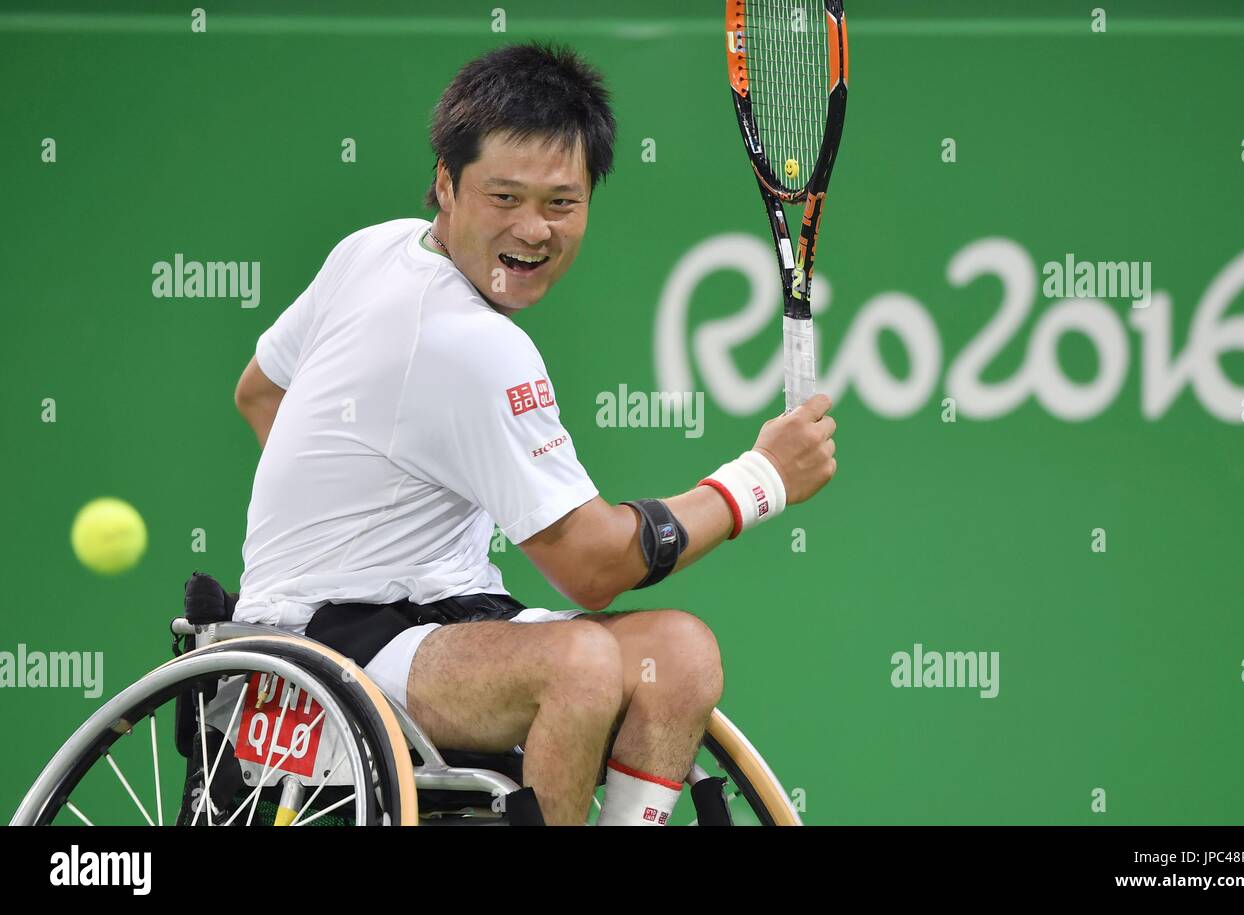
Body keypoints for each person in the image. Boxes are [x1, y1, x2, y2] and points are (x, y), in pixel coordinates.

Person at [232, 42, 836, 826]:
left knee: (680, 655)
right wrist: (764, 479)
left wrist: (366, 505)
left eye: (561, 203)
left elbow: (258, 391)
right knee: (581, 666)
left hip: (442, 617)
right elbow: (594, 567)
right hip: (320, 656)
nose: (533, 230)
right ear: (446, 184)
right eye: (504, 197)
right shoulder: (472, 344)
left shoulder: (377, 246)